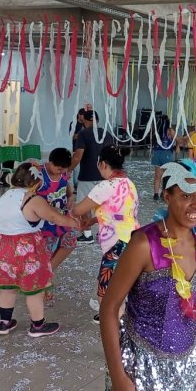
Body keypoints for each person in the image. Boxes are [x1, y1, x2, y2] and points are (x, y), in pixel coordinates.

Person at [100, 160, 196, 391]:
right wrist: (119, 376)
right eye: (186, 196)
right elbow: (109, 308)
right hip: (142, 361)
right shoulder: (143, 245)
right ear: (167, 196)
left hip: (187, 358)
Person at [0, 163, 81, 338]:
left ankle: (4, 323)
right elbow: (53, 217)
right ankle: (38, 326)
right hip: (25, 248)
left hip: (2, 246)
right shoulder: (31, 199)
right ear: (36, 182)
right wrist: (74, 223)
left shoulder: (5, 195)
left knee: (8, 287)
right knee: (35, 288)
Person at [70, 145, 139, 323]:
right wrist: (93, 221)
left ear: (102, 164)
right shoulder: (128, 183)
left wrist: (67, 201)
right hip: (133, 240)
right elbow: (120, 213)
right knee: (122, 281)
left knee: (106, 290)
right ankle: (119, 316)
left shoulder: (105, 186)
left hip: (116, 244)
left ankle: (115, 324)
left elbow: (78, 210)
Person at [36, 148, 77, 302]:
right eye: (59, 169)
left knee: (71, 239)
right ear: (50, 163)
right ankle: (45, 281)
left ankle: (48, 273)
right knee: (45, 254)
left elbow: (66, 186)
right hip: (44, 223)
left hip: (61, 218)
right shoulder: (39, 175)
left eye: (64, 170)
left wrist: (70, 196)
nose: (61, 173)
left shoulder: (63, 174)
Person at [70, 110, 114, 243]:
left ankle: (87, 234)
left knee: (85, 204)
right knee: (104, 205)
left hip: (87, 175)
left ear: (85, 121)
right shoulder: (106, 133)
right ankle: (103, 233)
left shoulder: (84, 133)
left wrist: (68, 170)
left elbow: (78, 155)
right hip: (105, 174)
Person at [151, 114, 176, 201]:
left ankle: (155, 194)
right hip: (167, 154)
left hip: (157, 154)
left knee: (157, 176)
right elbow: (175, 140)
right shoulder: (170, 131)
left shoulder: (157, 130)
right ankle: (163, 193)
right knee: (166, 176)